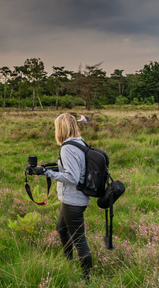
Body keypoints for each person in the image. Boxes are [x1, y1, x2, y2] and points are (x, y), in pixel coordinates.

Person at [36, 113, 93, 278]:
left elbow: (73, 177)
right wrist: (51, 169)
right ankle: (68, 262)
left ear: (60, 129)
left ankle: (86, 278)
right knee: (61, 228)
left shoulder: (68, 148)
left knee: (79, 240)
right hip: (76, 198)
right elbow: (75, 170)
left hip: (73, 200)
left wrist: (48, 173)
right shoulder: (80, 143)